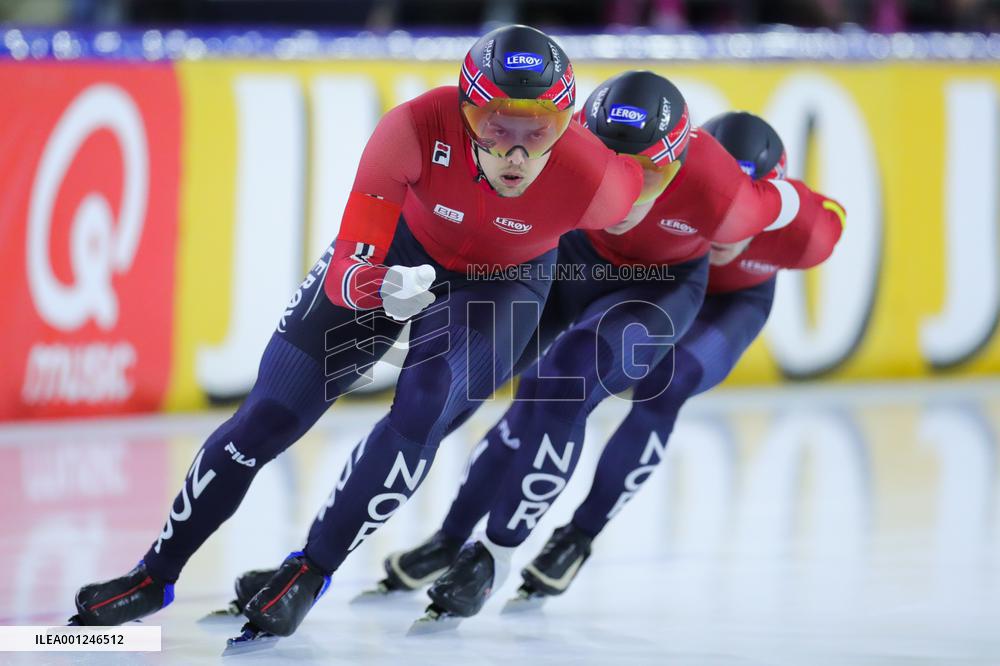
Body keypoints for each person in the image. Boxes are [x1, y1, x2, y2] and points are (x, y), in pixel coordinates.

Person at [70, 24, 649, 641]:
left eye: (538, 132)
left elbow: (688, 201)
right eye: (494, 128)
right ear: (463, 111)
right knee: (267, 414)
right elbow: (348, 268)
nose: (515, 154)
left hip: (502, 286)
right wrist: (382, 288)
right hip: (397, 256)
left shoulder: (602, 181)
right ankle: (154, 574)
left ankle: (312, 569)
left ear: (568, 126)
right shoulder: (411, 129)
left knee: (426, 401)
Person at [343, 77, 847, 624]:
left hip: (711, 299)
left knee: (663, 386)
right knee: (533, 387)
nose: (725, 236)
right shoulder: (648, 174)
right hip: (605, 268)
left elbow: (824, 218)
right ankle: (452, 537)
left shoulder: (788, 228)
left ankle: (578, 535)